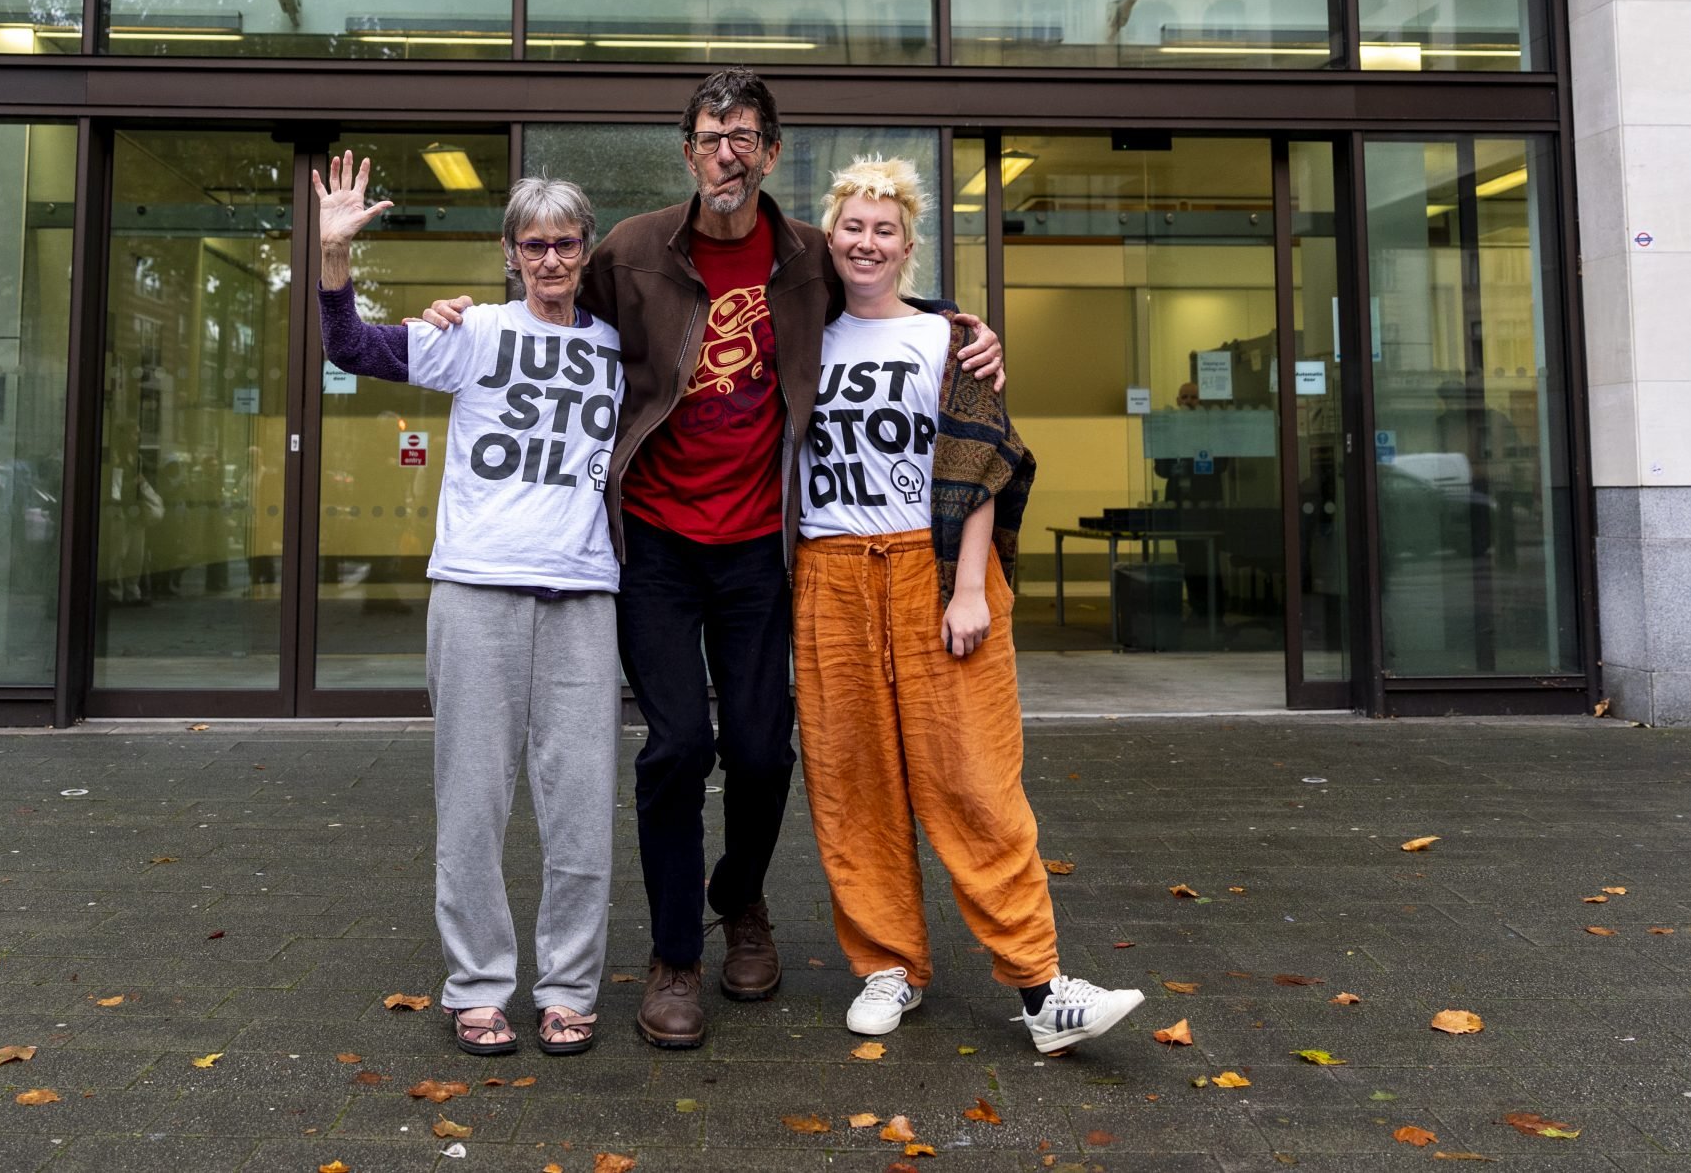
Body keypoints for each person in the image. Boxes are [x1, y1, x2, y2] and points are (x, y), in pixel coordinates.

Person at [421, 69, 1001, 1050]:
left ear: (770, 152)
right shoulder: (633, 249)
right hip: (651, 543)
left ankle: (742, 903)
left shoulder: (813, 257)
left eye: (742, 137)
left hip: (762, 547)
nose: (724, 153)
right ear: (686, 151)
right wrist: (455, 317)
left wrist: (959, 328)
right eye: (707, 137)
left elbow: (878, 294)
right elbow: (551, 309)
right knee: (679, 746)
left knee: (767, 748)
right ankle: (675, 956)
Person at [793, 154, 1145, 1056]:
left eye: (884, 229)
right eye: (852, 226)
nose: (866, 241)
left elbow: (984, 464)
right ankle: (887, 964)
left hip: (935, 566)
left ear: (908, 245)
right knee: (852, 778)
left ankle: (1040, 986)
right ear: (829, 237)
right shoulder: (796, 340)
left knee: (975, 778)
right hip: (829, 574)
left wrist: (967, 588)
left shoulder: (951, 340)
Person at [312, 153, 622, 1058]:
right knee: (474, 799)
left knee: (580, 806)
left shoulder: (617, 347)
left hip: (583, 595)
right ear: (511, 252)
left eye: (567, 242)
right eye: (537, 243)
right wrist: (333, 257)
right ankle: (478, 984)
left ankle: (568, 986)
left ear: (587, 249)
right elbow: (353, 348)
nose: (554, 259)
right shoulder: (475, 330)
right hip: (477, 589)